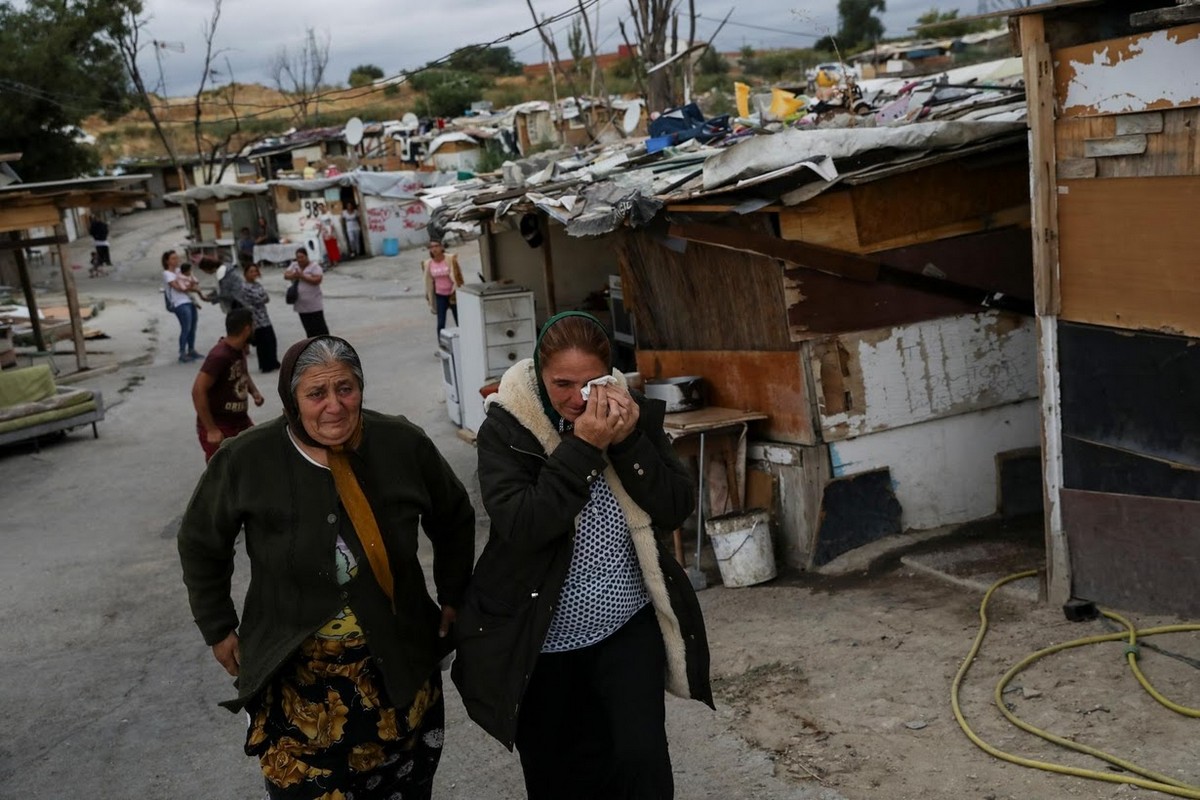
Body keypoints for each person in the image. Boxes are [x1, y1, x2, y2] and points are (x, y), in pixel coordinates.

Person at [178, 335, 476, 800]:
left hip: (396, 670)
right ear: (293, 401)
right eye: (317, 393)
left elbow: (454, 515)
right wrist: (218, 626)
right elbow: (201, 541)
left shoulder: (401, 443)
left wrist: (454, 594)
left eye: (346, 388)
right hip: (299, 683)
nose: (334, 406)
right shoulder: (247, 458)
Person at [451, 312, 713, 800]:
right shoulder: (507, 431)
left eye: (591, 382)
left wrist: (629, 440)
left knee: (641, 762)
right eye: (562, 383)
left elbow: (675, 507)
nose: (578, 398)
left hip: (626, 626)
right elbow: (525, 526)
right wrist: (585, 448)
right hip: (541, 638)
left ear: (609, 375)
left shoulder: (629, 413)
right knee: (561, 775)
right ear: (539, 374)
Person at [191, 308, 264, 462]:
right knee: (223, 472)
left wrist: (254, 392)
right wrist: (211, 429)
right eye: (254, 325)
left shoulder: (239, 349)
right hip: (221, 425)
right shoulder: (219, 356)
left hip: (240, 422)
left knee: (252, 458)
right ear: (247, 329)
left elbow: (242, 372)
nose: (255, 329)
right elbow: (198, 390)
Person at [239, 261, 279, 373]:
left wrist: (262, 298)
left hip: (264, 316)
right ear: (246, 273)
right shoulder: (244, 287)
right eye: (251, 271)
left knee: (271, 340)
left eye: (255, 271)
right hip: (255, 318)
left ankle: (273, 361)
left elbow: (266, 297)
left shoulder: (257, 285)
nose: (254, 273)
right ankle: (265, 364)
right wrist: (262, 298)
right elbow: (258, 298)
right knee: (262, 342)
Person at [163, 250, 200, 363]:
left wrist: (191, 285)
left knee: (193, 326)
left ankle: (191, 349)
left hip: (189, 300)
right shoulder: (167, 274)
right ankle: (182, 352)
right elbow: (178, 287)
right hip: (179, 303)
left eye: (177, 258)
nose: (176, 260)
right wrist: (192, 287)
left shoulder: (181, 270)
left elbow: (192, 280)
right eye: (173, 258)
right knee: (186, 327)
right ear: (167, 261)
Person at [284, 248, 329, 337]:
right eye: (298, 257)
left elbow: (317, 280)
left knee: (320, 329)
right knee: (309, 329)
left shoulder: (314, 266)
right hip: (301, 305)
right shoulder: (294, 265)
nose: (300, 259)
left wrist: (302, 276)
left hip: (314, 305)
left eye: (302, 257)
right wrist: (293, 275)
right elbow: (286, 275)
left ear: (307, 256)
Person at [422, 239, 463, 336]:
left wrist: (456, 288)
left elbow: (457, 276)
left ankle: (463, 342)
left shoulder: (450, 260)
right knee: (441, 322)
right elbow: (428, 281)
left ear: (441, 247)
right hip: (440, 295)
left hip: (452, 294)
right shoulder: (428, 264)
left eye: (436, 246)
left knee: (459, 321)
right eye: (431, 247)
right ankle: (442, 345)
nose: (434, 249)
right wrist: (428, 294)